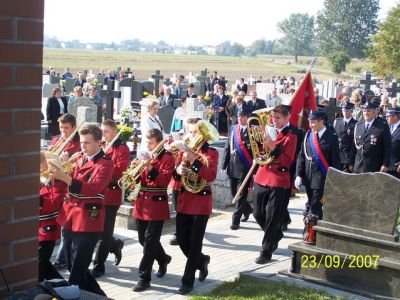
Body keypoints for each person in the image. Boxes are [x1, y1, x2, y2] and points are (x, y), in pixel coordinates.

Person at [51, 124, 113, 296]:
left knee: (77, 270)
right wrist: (57, 172)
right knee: (73, 265)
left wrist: (64, 176)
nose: (82, 147)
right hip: (70, 215)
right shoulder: (80, 158)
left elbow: (94, 188)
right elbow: (65, 185)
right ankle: (99, 296)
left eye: (86, 143)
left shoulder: (106, 163)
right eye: (81, 142)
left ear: (99, 143)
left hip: (87, 220)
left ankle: (75, 295)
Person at [174, 121, 219, 294]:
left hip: (201, 201)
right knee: (182, 240)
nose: (193, 135)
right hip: (185, 198)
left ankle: (187, 281)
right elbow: (176, 174)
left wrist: (194, 160)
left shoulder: (211, 153)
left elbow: (210, 176)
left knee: (194, 243)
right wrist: (178, 170)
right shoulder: (184, 151)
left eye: (195, 132)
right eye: (191, 132)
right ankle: (202, 261)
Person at [129, 129, 174, 292]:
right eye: (146, 142)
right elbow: (137, 180)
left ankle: (144, 278)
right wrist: (134, 171)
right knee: (143, 239)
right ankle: (163, 258)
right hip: (142, 202)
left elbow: (163, 181)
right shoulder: (145, 155)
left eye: (151, 143)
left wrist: (148, 165)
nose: (148, 146)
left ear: (160, 142)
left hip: (156, 203)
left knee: (149, 241)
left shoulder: (167, 157)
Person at [252, 105, 298, 264]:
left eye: (277, 118)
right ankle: (275, 235)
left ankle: (266, 251)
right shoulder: (268, 130)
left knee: (272, 217)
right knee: (257, 213)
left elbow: (287, 161)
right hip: (262, 175)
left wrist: (274, 148)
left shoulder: (291, 136)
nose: (274, 121)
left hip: (279, 179)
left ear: (287, 118)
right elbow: (259, 151)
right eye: (273, 117)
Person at [91, 120, 130, 278]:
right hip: (96, 193)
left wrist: (104, 165)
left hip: (111, 195)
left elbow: (120, 170)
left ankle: (99, 265)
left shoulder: (122, 148)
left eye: (106, 131)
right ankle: (114, 245)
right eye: (102, 131)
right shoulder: (100, 146)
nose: (103, 134)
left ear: (114, 132)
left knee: (105, 232)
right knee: (98, 231)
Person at [295, 111, 340, 222]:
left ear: (321, 121)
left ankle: (311, 232)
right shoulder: (308, 135)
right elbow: (302, 156)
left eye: (313, 122)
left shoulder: (331, 137)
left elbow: (335, 161)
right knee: (311, 203)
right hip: (308, 177)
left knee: (315, 205)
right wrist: (298, 175)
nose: (310, 125)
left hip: (322, 179)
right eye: (310, 122)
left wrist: (334, 179)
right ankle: (313, 229)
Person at [38, 153, 67, 282]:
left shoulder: (59, 182)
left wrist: (38, 199)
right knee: (45, 269)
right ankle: (68, 290)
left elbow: (54, 204)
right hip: (34, 228)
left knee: (38, 269)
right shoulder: (39, 179)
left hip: (47, 230)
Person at [223, 110, 253, 230]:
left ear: (248, 117)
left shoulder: (253, 130)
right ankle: (248, 210)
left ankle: (235, 221)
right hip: (232, 165)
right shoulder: (233, 128)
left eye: (244, 116)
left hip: (245, 167)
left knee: (240, 195)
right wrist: (223, 165)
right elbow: (227, 146)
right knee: (234, 192)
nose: (241, 119)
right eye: (239, 116)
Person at [354, 102, 391, 173]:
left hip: (374, 166)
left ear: (374, 113)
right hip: (359, 166)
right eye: (364, 111)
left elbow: (387, 147)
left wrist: (385, 164)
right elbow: (354, 146)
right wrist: (351, 163)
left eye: (368, 111)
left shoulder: (382, 126)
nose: (366, 113)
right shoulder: (358, 126)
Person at [333, 103, 357, 172]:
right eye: (343, 111)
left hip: (348, 157)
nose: (345, 113)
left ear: (351, 111)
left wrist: (351, 161)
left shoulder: (355, 124)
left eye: (347, 111)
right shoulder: (337, 121)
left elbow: (354, 144)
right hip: (337, 155)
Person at [386, 108, 400, 178]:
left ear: (395, 116)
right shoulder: (387, 127)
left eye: (388, 116)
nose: (387, 118)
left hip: (396, 167)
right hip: (386, 165)